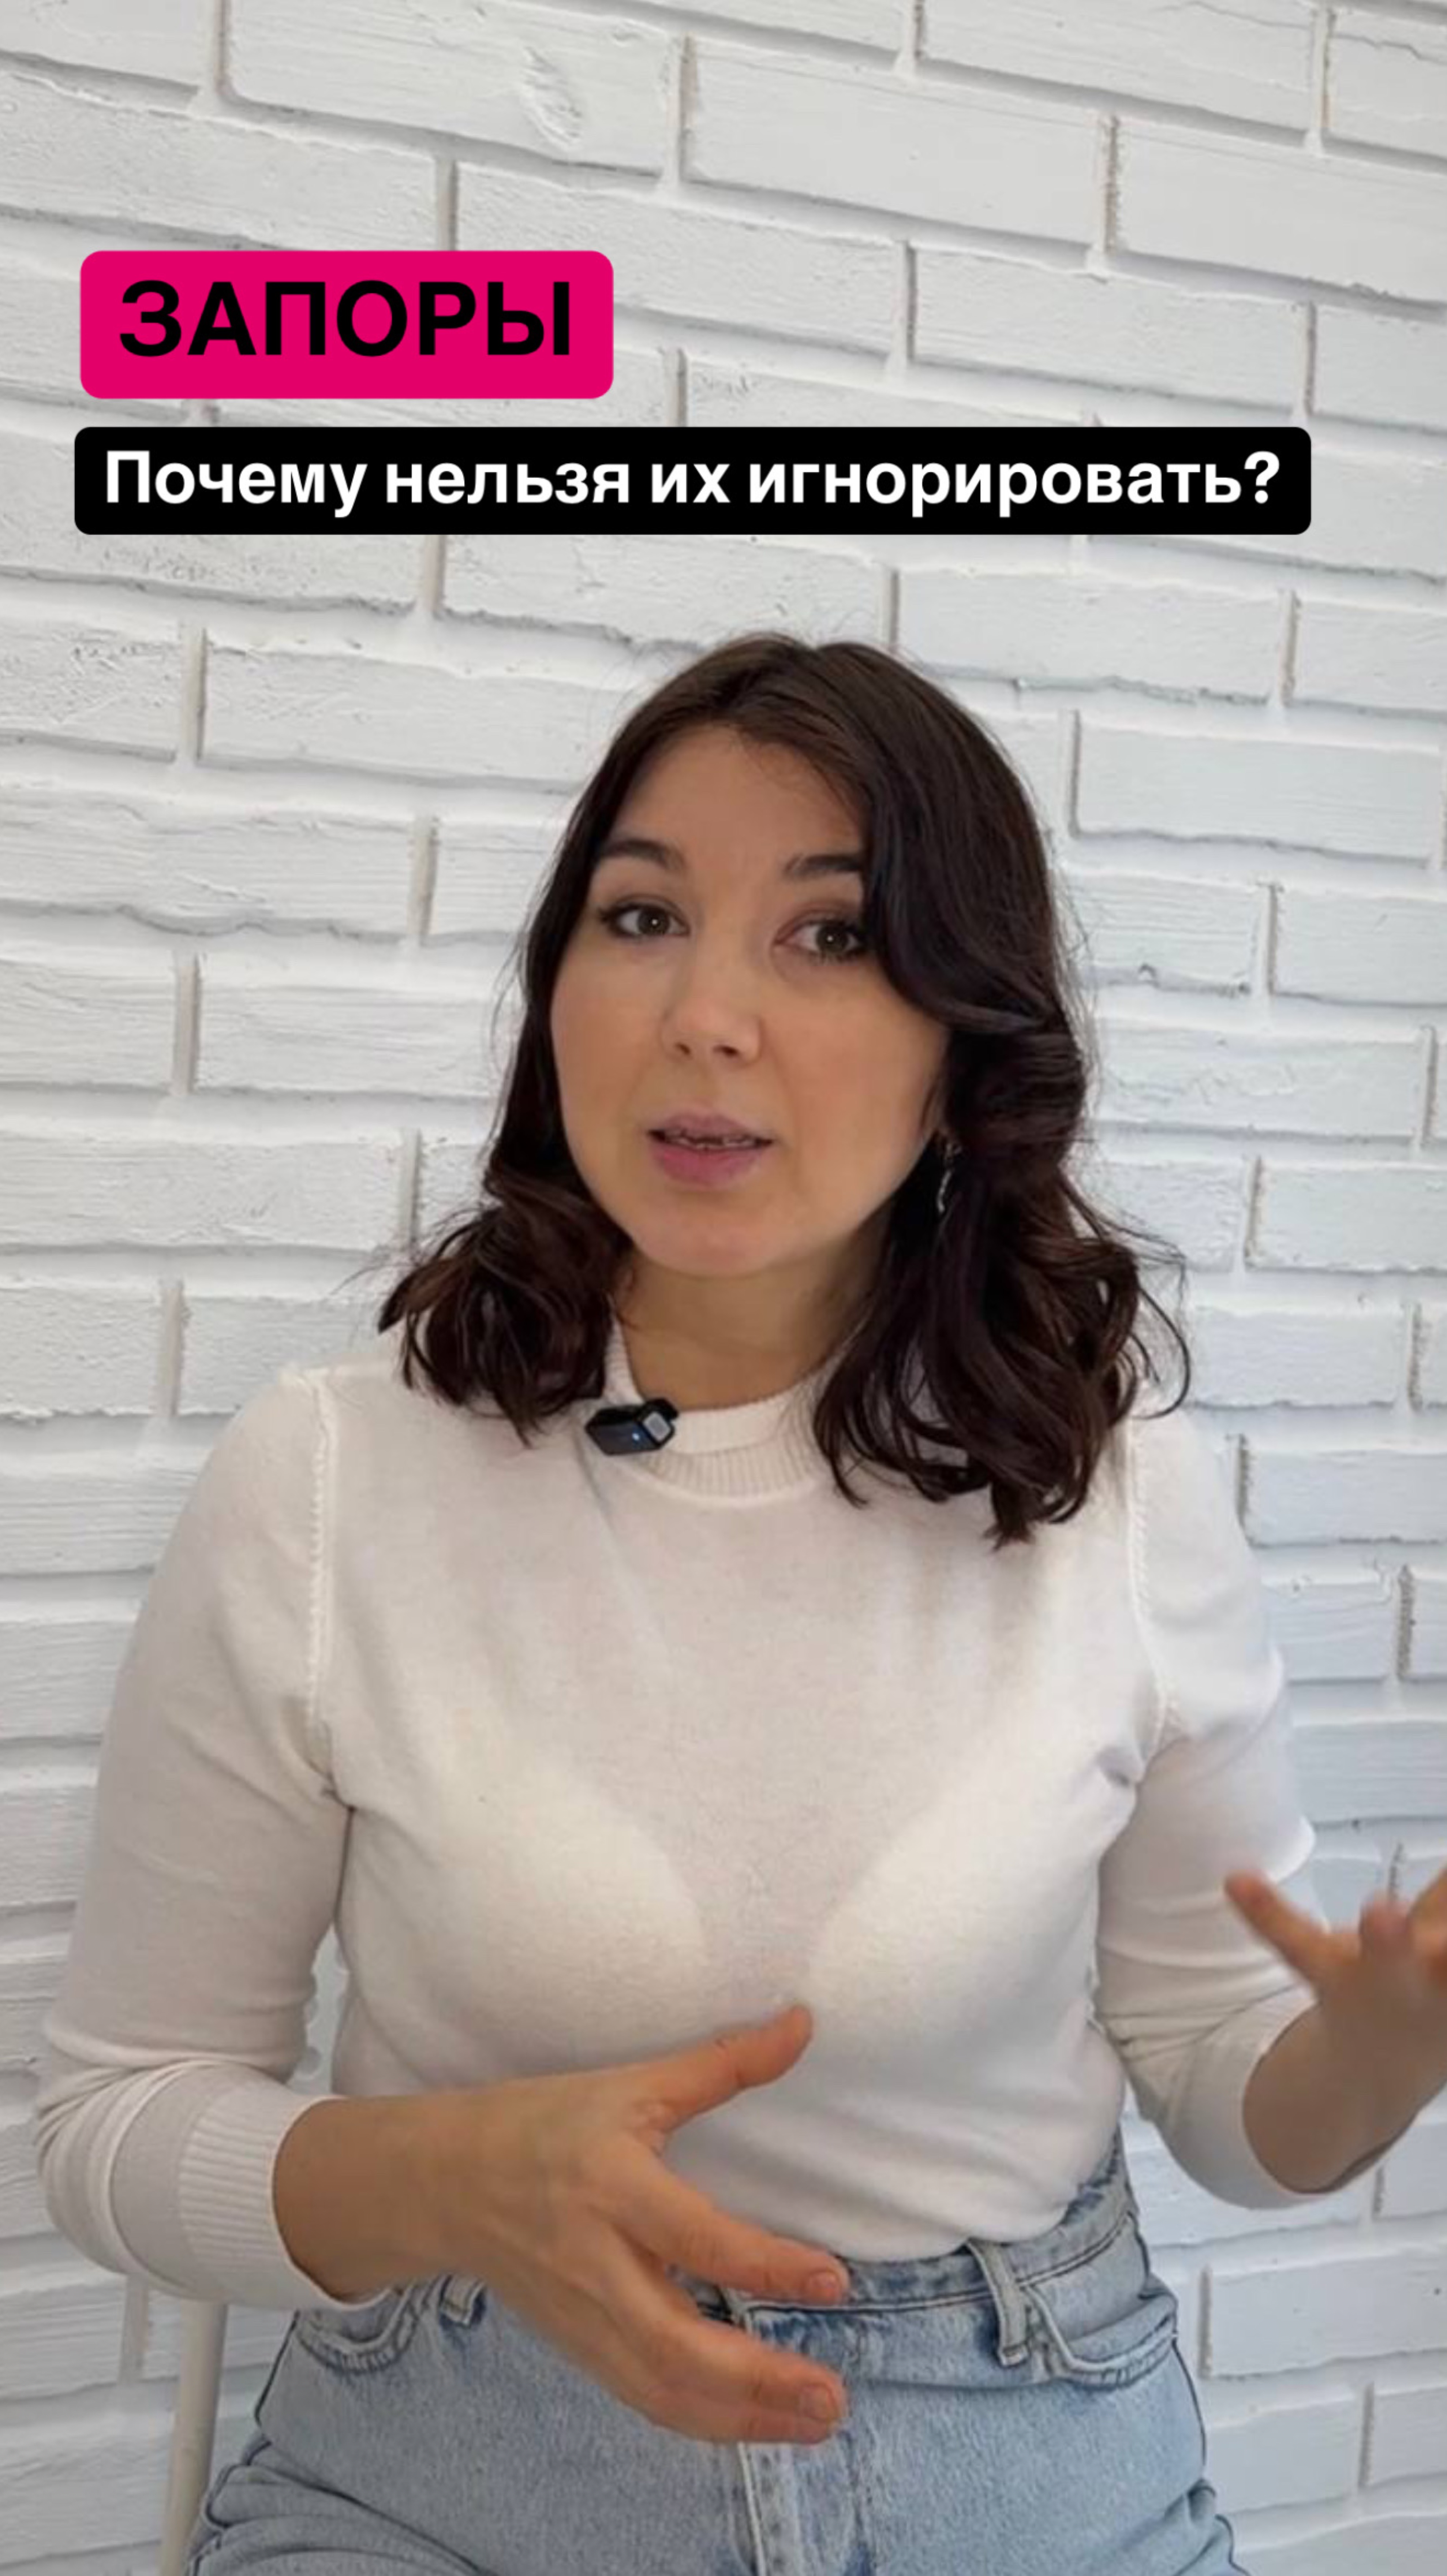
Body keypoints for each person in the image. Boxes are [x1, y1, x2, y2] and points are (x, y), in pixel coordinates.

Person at [30, 634, 1429, 2575]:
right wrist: (448, 2179)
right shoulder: (333, 1475)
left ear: (969, 1058)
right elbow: (117, 2118)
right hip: (452, 2471)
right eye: (642, 917)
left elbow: (1224, 2076)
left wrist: (1382, 2050)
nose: (704, 1016)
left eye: (829, 937)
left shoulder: (1117, 1502)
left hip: (1024, 2462)